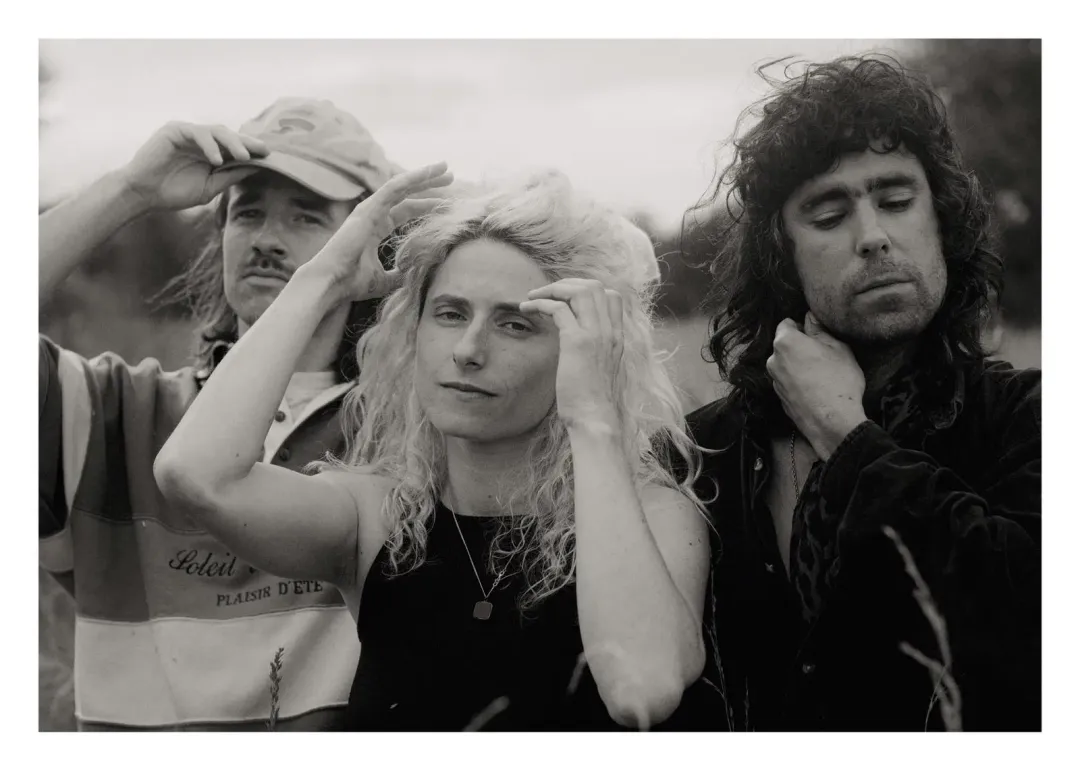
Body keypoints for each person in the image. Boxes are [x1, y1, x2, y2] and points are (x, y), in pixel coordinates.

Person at [153, 167, 711, 731]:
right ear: (413, 331)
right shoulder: (379, 517)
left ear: (582, 351)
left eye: (515, 325)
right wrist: (322, 280)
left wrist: (593, 417)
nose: (468, 349)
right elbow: (196, 476)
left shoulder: (650, 512)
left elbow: (642, 687)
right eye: (450, 313)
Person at [685, 55, 1041, 731]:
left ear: (943, 221)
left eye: (897, 202)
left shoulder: (1029, 418)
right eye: (828, 215)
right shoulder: (702, 452)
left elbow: (1031, 624)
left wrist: (847, 437)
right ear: (781, 254)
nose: (874, 237)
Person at [39, 98, 398, 730]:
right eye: (247, 212)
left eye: (306, 216)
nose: (266, 240)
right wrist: (129, 191)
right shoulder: (112, 414)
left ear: (371, 245)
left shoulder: (412, 431)